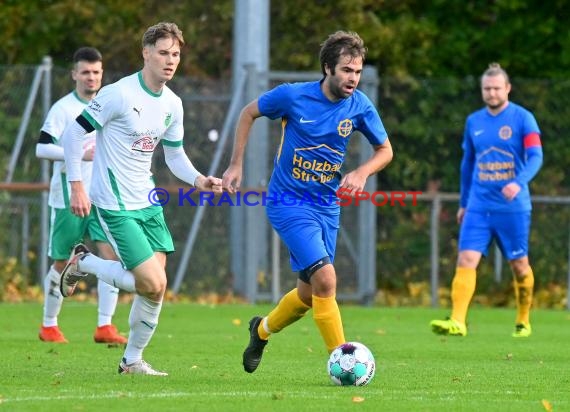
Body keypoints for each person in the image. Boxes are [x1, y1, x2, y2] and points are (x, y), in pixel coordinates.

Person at [222, 31, 393, 373]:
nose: (352, 79)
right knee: (327, 279)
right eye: (346, 70)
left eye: (357, 72)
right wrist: (236, 164)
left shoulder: (360, 105)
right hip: (287, 201)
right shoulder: (292, 96)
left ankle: (261, 330)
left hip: (327, 207)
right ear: (328, 68)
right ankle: (344, 361)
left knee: (307, 294)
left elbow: (385, 150)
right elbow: (247, 113)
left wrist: (361, 173)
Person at [59, 22, 223, 375]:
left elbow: (174, 157)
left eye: (176, 54)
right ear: (145, 53)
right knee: (153, 282)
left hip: (148, 202)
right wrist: (76, 186)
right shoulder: (118, 94)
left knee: (153, 289)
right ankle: (84, 263)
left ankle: (132, 361)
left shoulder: (172, 103)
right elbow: (72, 136)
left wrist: (199, 179)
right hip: (115, 204)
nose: (170, 60)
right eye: (163, 52)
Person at [430, 63, 543, 338]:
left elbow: (536, 156)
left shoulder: (523, 118)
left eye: (496, 88)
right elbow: (467, 164)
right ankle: (458, 321)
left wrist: (518, 182)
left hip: (512, 208)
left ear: (507, 89)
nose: (491, 93)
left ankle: (523, 319)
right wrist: (464, 203)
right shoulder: (474, 121)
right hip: (479, 205)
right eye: (486, 89)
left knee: (519, 265)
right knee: (466, 258)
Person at [36, 47, 127, 345]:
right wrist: (78, 154)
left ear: (102, 74)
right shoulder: (63, 109)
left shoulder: (108, 106)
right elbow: (42, 148)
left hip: (102, 199)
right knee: (62, 262)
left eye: (96, 72)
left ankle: (104, 326)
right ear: (75, 74)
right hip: (68, 199)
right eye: (85, 72)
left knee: (112, 257)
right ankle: (49, 325)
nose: (91, 77)